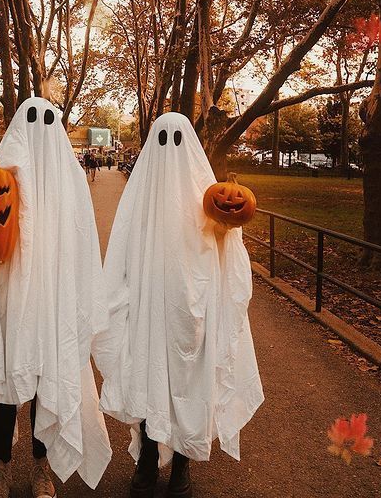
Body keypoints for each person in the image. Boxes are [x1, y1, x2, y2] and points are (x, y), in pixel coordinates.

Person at [93, 112, 263, 498]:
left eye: (176, 139)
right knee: (149, 378)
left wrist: (224, 233)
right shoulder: (139, 198)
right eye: (162, 138)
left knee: (190, 381)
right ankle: (148, 457)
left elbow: (227, 256)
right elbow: (121, 251)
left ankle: (184, 460)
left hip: (194, 311)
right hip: (148, 310)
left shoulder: (208, 194)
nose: (169, 148)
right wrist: (117, 299)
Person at [0, 97, 112, 498]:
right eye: (31, 120)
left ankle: (42, 466)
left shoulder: (71, 182)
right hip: (6, 297)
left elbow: (82, 245)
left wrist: (76, 298)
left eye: (46, 121)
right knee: (3, 383)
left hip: (52, 301)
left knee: (46, 380)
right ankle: (0, 465)